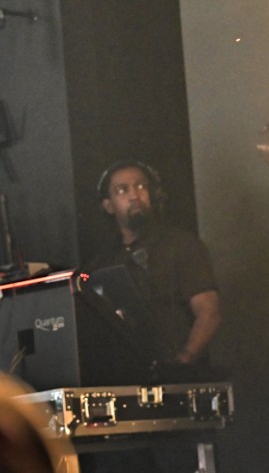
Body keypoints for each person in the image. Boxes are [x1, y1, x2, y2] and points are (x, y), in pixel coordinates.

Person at [83, 160, 221, 473]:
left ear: (153, 194)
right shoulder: (101, 264)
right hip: (121, 402)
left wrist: (183, 362)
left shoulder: (182, 246)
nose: (134, 195)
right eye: (122, 190)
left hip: (173, 397)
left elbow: (209, 312)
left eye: (141, 186)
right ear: (108, 205)